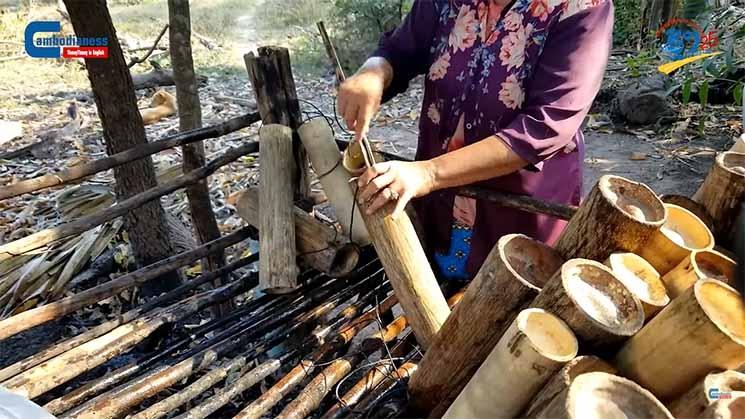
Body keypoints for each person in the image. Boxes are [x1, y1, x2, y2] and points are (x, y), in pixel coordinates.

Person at [338, 0, 614, 281]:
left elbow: (545, 126)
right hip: (440, 204)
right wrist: (374, 72)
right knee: (430, 289)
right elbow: (400, 50)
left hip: (518, 209)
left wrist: (429, 173)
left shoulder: (581, 8)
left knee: (508, 303)